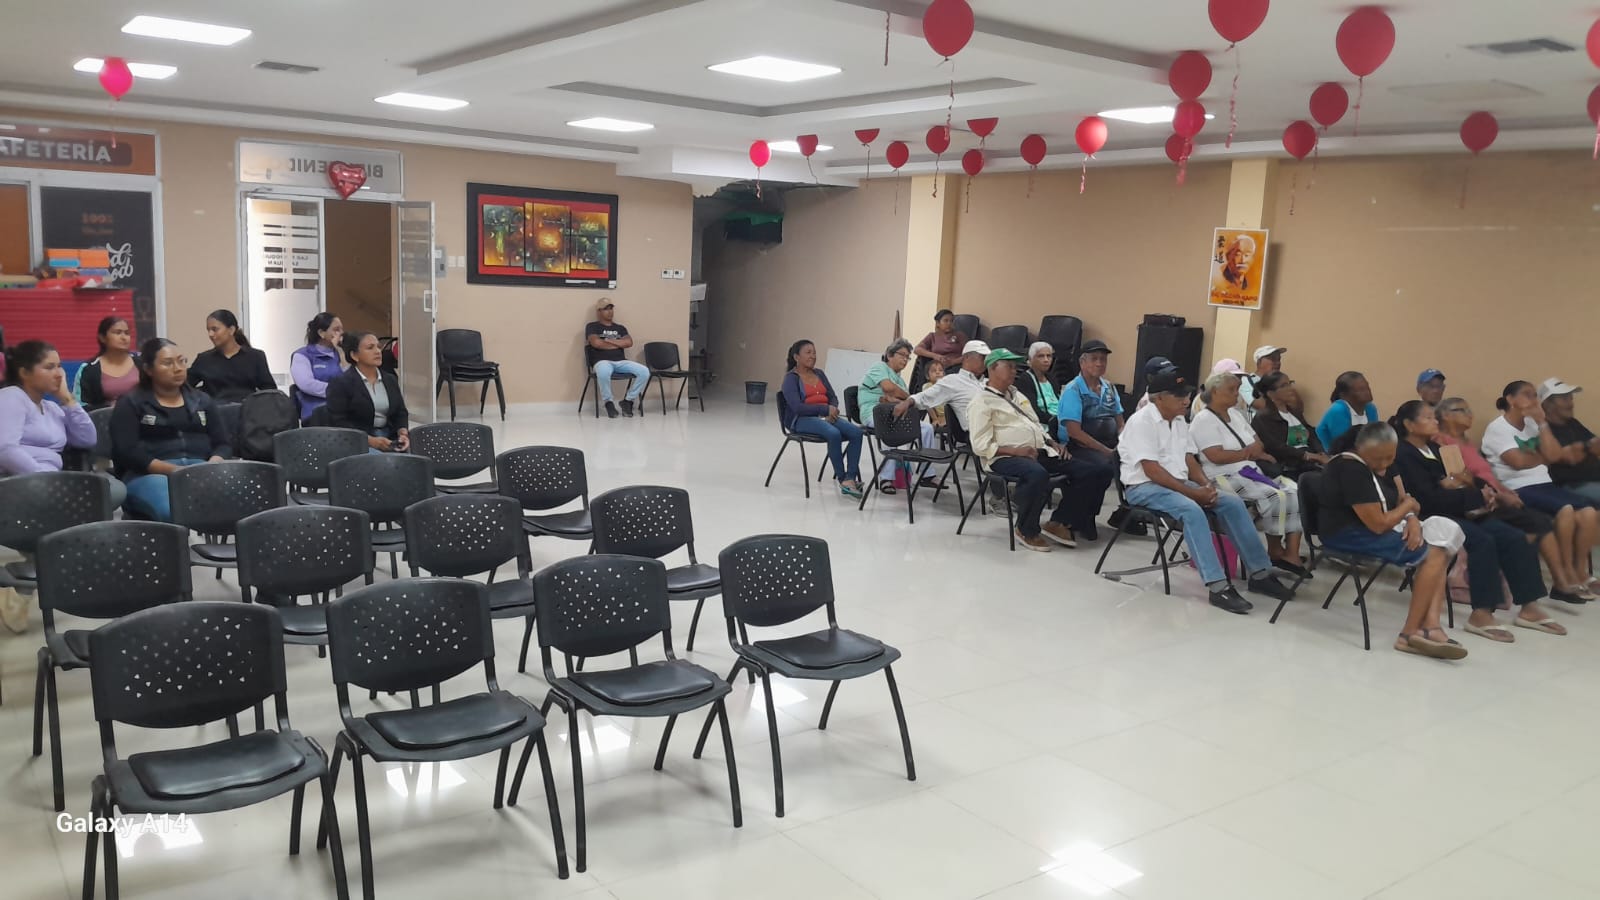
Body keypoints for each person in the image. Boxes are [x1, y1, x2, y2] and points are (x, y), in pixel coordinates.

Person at [1119, 371, 1296, 614]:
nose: (1186, 400)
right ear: (1158, 398)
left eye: (1187, 395)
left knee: (1232, 503)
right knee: (1192, 510)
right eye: (1179, 396)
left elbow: (1189, 459)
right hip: (1144, 487)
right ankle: (1217, 586)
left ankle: (1260, 573)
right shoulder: (1142, 422)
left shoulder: (1179, 421)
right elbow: (1152, 471)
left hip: (1177, 483)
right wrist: (1193, 494)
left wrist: (1205, 485)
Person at [1389, 401, 1564, 640]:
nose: (1435, 421)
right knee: (1483, 540)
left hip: (1460, 508)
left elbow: (1465, 477)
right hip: (1431, 516)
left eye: (1434, 417)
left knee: (1514, 537)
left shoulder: (1437, 448)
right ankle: (1481, 614)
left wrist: (1488, 491)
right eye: (1428, 418)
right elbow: (1427, 498)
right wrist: (1471, 494)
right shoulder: (1403, 454)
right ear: (1409, 425)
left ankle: (1529, 607)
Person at [1317, 423, 1466, 659]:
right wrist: (1408, 508)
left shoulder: (1375, 465)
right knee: (1433, 554)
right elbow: (1379, 523)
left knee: (1441, 544)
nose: (1385, 464)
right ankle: (1408, 635)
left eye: (1390, 457)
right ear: (1360, 448)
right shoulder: (1351, 469)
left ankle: (1431, 626)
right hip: (1347, 534)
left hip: (1370, 527)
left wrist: (1412, 519)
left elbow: (1401, 500)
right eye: (1379, 458)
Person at [1435, 397, 1585, 602]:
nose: (1470, 414)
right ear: (1445, 415)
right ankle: (1550, 583)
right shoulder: (1442, 442)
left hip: (1495, 493)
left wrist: (1505, 490)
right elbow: (1461, 479)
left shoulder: (1468, 443)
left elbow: (1487, 475)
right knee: (1534, 525)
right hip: (1480, 501)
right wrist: (1499, 495)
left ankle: (1560, 581)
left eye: (1469, 410)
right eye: (1462, 410)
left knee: (1539, 521)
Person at [967, 349, 1110, 550]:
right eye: (1009, 366)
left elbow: (1035, 424)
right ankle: (1026, 529)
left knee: (1092, 470)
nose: (1014, 371)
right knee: (1037, 474)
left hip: (1037, 451)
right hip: (1003, 457)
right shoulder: (981, 402)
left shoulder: (1017, 395)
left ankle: (1059, 521)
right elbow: (980, 445)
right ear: (992, 368)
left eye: (1015, 367)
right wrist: (1016, 451)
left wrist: (1052, 442)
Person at [1481, 380, 1600, 600]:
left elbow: (1554, 455)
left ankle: (1580, 571)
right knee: (1566, 510)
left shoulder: (1533, 423)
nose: (1534, 400)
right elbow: (1518, 462)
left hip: (1545, 484)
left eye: (1535, 395)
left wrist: (1543, 423)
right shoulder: (1497, 428)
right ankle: (1565, 573)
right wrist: (1542, 457)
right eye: (1527, 394)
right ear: (1510, 400)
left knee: (1589, 513)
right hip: (1518, 487)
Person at [1190, 372, 1310, 578]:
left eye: (1238, 389)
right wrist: (1247, 453)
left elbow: (1258, 443)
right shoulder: (1204, 420)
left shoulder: (1237, 415)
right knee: (1275, 496)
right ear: (1215, 392)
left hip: (1250, 471)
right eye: (1232, 390)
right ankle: (1275, 550)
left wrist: (1246, 453)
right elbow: (1216, 456)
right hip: (1223, 476)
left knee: (1294, 491)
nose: (1237, 394)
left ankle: (1291, 554)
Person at [111, 338, 231, 522]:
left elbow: (223, 444)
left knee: (244, 501)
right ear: (148, 369)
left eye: (181, 361)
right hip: (149, 475)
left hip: (202, 470)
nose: (178, 368)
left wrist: (213, 464)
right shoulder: (131, 402)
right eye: (168, 363)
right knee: (173, 509)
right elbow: (127, 451)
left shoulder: (202, 401)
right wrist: (175, 470)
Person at [0, 340, 126, 509]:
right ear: (24, 372)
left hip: (52, 480)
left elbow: (87, 439)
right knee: (103, 493)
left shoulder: (51, 408)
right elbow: (5, 450)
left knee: (113, 489)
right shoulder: (12, 397)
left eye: (59, 366)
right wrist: (46, 479)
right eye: (49, 367)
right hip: (17, 482)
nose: (59, 374)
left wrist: (67, 398)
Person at [781, 340, 864, 497]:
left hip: (825, 416)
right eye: (808, 353)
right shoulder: (791, 379)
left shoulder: (819, 374)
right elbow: (797, 407)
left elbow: (832, 396)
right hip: (801, 419)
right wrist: (825, 409)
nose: (813, 356)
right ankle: (843, 479)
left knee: (856, 433)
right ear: (796, 357)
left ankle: (851, 477)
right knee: (833, 433)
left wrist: (832, 408)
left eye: (814, 352)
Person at [858, 339, 936, 493]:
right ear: (889, 355)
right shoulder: (879, 367)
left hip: (894, 414)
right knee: (890, 426)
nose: (905, 360)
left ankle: (927, 474)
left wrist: (896, 398)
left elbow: (901, 401)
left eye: (908, 357)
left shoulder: (900, 380)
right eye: (902, 355)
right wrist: (904, 397)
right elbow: (888, 388)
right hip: (872, 413)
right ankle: (886, 478)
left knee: (927, 429)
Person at [327, 331, 410, 453]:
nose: (378, 351)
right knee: (382, 461)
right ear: (354, 355)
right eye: (370, 348)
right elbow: (339, 422)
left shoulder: (390, 379)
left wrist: (402, 433)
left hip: (389, 437)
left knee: (415, 459)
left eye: (378, 347)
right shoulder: (341, 383)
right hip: (358, 440)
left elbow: (401, 412)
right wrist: (370, 441)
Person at [895, 340, 987, 432]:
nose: (986, 361)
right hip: (979, 433)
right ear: (967, 357)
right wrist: (908, 402)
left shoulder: (988, 382)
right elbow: (925, 397)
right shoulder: (953, 381)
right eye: (982, 357)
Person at [1252, 372, 1330, 479]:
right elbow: (1276, 447)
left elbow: (1311, 434)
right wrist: (1308, 456)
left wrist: (1321, 453)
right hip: (1290, 467)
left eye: (1290, 383)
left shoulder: (1294, 412)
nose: (1290, 389)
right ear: (1270, 394)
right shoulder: (1264, 417)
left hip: (1310, 461)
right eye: (1284, 386)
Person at [187, 309, 276, 402]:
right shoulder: (204, 359)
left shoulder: (255, 357)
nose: (210, 334)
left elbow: (270, 391)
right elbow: (185, 385)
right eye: (208, 330)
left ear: (231, 330)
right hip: (215, 410)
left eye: (214, 329)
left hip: (248, 409)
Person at [585, 297, 651, 418]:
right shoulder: (592, 326)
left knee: (644, 371)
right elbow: (596, 343)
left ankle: (628, 401)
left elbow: (629, 342)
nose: (610, 311)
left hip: (621, 362)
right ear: (599, 311)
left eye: (611, 308)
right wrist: (618, 343)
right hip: (602, 361)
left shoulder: (620, 328)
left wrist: (608, 340)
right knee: (603, 371)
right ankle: (608, 403)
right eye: (606, 309)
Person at [1538, 378, 1600, 506]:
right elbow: (1570, 457)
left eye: (1570, 398)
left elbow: (1597, 446)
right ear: (1548, 405)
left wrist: (1584, 448)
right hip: (1572, 485)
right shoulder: (1544, 431)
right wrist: (1587, 447)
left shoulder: (1573, 423)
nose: (1571, 404)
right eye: (1564, 399)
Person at [1058, 339, 1123, 455]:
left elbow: (1120, 424)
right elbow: (1075, 433)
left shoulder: (1110, 387)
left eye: (1103, 359)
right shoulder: (1073, 389)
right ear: (1082, 362)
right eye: (1094, 359)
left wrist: (1123, 444)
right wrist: (1107, 452)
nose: (1099, 363)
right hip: (1081, 447)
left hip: (1111, 444)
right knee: (1106, 464)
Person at [72, 316, 138, 409]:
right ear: (102, 338)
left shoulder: (141, 363)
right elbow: (80, 407)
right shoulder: (89, 369)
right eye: (118, 332)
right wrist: (108, 407)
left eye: (127, 333)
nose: (124, 337)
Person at [290, 312, 344, 422]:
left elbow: (352, 379)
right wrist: (338, 392)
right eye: (336, 330)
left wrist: (341, 353)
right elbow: (307, 384)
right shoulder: (302, 355)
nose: (341, 333)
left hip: (344, 411)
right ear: (321, 333)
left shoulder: (342, 354)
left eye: (342, 329)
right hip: (316, 413)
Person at [1316, 370, 1380, 453]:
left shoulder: (1370, 408)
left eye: (1367, 386)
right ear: (1344, 395)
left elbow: (1374, 437)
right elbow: (1344, 447)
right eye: (1361, 389)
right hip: (1334, 455)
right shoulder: (1337, 411)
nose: (1367, 391)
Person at [1016, 342, 1061, 434]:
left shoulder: (1051, 378)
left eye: (1049, 356)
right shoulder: (1025, 380)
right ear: (1031, 359)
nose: (1046, 360)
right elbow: (1032, 411)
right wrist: (1055, 420)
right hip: (1043, 426)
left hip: (1060, 420)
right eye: (1041, 356)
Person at [1242, 345, 1285, 412]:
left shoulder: (1281, 382)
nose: (1278, 363)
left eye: (1279, 359)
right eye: (1273, 359)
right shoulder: (1247, 381)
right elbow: (1262, 405)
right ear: (1259, 362)